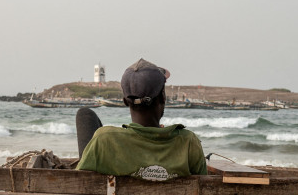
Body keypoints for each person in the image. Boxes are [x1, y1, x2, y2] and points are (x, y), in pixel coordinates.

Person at [75, 58, 207, 180]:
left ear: (125, 101)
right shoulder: (188, 142)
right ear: (163, 97)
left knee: (84, 114)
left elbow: (79, 183)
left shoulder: (105, 140)